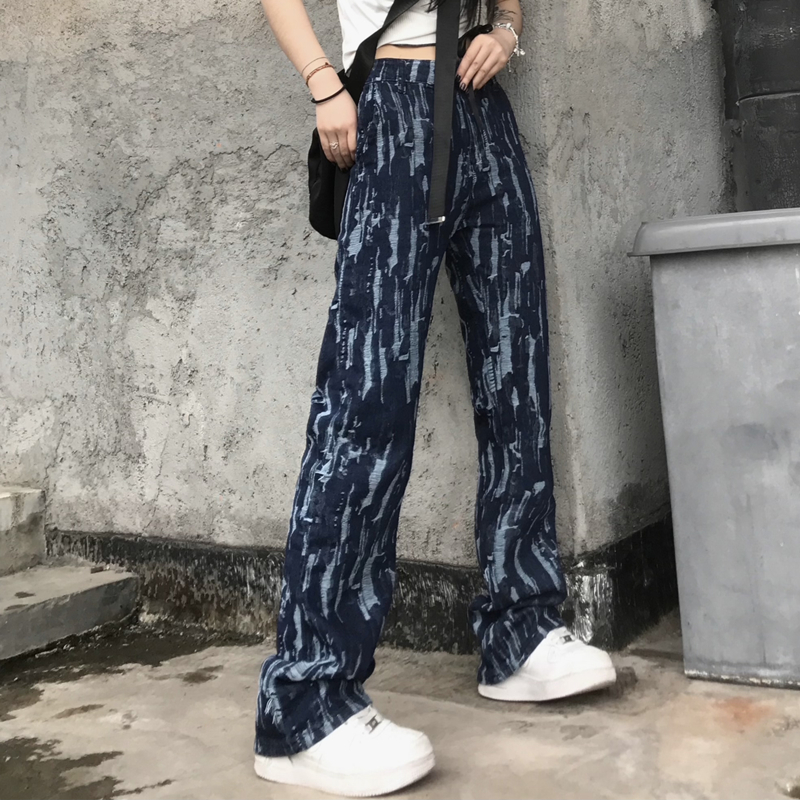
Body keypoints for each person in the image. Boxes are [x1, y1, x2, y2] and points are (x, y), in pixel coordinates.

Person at [253, 0, 617, 795]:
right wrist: (322, 84)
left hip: (484, 112)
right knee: (367, 399)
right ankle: (305, 703)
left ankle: (520, 630)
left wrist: (507, 29)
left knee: (518, 376)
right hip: (390, 106)